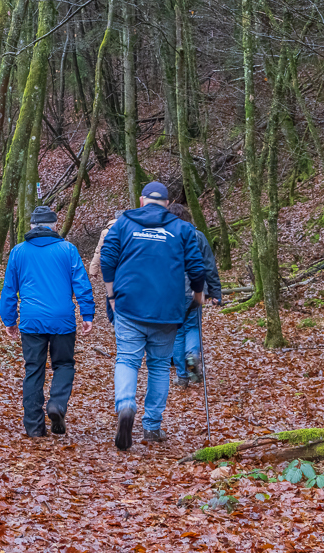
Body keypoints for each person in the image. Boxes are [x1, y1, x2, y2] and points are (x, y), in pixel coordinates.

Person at [100, 181, 207, 450]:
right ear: (168, 203)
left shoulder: (124, 222)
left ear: (142, 200)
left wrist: (111, 294)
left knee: (127, 358)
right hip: (167, 310)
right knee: (159, 366)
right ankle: (152, 426)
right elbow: (196, 266)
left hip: (129, 304)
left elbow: (107, 257)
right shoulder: (182, 228)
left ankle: (125, 405)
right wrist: (197, 295)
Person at [0, 205, 95, 437]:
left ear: (32, 226)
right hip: (62, 320)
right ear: (54, 225)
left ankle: (34, 427)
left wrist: (9, 319)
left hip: (31, 321)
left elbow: (9, 290)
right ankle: (57, 405)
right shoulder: (68, 250)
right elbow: (82, 284)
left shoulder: (18, 252)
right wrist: (87, 314)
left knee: (34, 370)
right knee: (63, 364)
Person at [167, 202, 222, 386]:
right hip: (194, 289)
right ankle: (192, 355)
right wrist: (215, 291)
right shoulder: (198, 236)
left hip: (171, 291)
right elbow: (209, 266)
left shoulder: (165, 238)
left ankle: (182, 376)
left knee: (176, 331)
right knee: (192, 327)